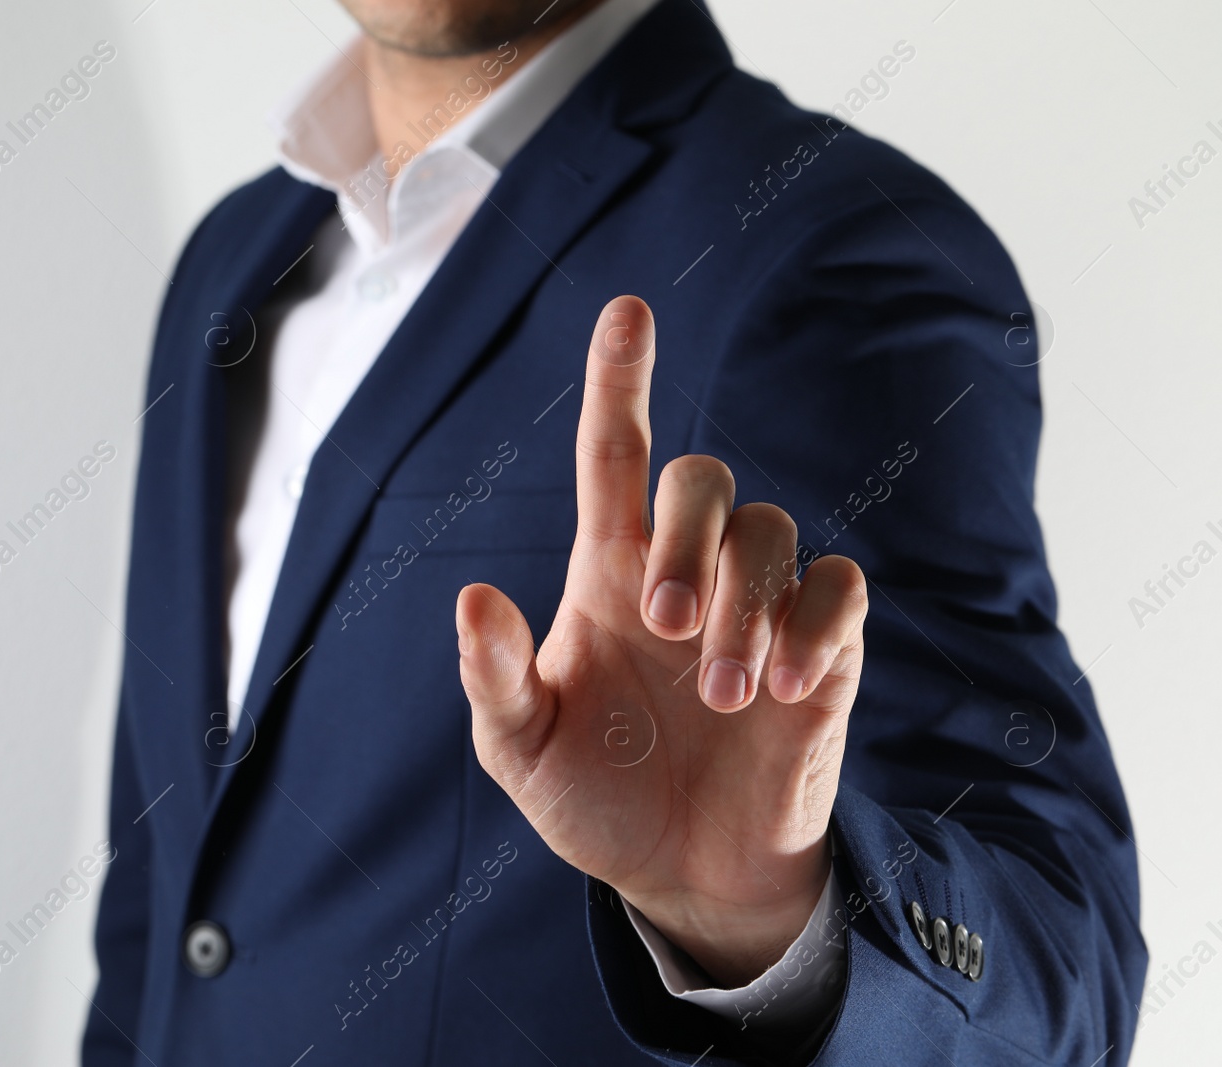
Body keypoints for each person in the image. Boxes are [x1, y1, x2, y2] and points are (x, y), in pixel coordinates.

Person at [83, 0, 1146, 1063]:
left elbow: (1067, 977)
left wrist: (771, 918)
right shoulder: (227, 264)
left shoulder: (824, 253)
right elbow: (165, 908)